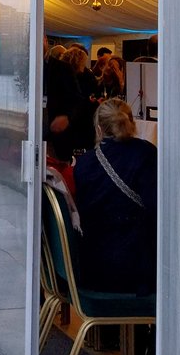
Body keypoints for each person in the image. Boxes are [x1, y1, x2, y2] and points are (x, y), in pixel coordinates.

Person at [72, 99, 158, 296]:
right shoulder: (146, 154)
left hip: (94, 271)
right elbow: (156, 211)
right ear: (132, 124)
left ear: (99, 129)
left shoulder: (84, 164)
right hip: (138, 271)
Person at [42, 34, 82, 194]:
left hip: (57, 136)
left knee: (58, 180)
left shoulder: (61, 68)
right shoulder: (24, 68)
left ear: (45, 40)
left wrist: (67, 117)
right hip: (33, 131)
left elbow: (77, 99)